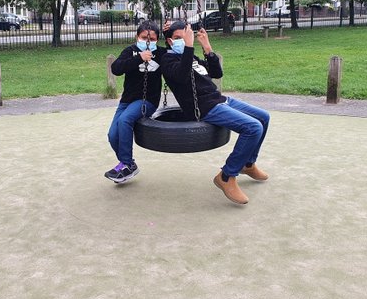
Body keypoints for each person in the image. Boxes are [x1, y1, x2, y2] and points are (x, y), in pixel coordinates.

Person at [161, 21, 270, 204]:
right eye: (178, 38)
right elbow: (181, 76)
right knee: (253, 128)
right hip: (203, 108)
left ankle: (248, 164)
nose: (183, 41)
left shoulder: (193, 58)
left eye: (185, 37)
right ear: (170, 42)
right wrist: (188, 46)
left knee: (263, 117)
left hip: (219, 100)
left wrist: (207, 48)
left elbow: (217, 73)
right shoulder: (167, 60)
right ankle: (226, 176)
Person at [105, 21, 166, 183]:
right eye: (144, 37)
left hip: (148, 101)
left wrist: (169, 34)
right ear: (137, 37)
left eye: (152, 38)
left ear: (157, 40)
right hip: (127, 101)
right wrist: (139, 58)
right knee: (112, 135)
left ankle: (125, 164)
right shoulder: (130, 51)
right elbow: (116, 68)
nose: (148, 41)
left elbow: (177, 55)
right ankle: (129, 164)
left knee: (125, 120)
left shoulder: (160, 53)